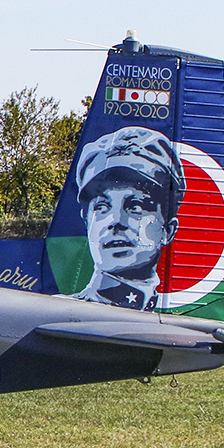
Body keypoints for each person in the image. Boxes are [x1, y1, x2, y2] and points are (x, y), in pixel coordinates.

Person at [67, 125, 184, 311]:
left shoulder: (177, 317)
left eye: (136, 207)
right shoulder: (63, 311)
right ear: (87, 222)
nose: (115, 221)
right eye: (101, 207)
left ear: (168, 230)